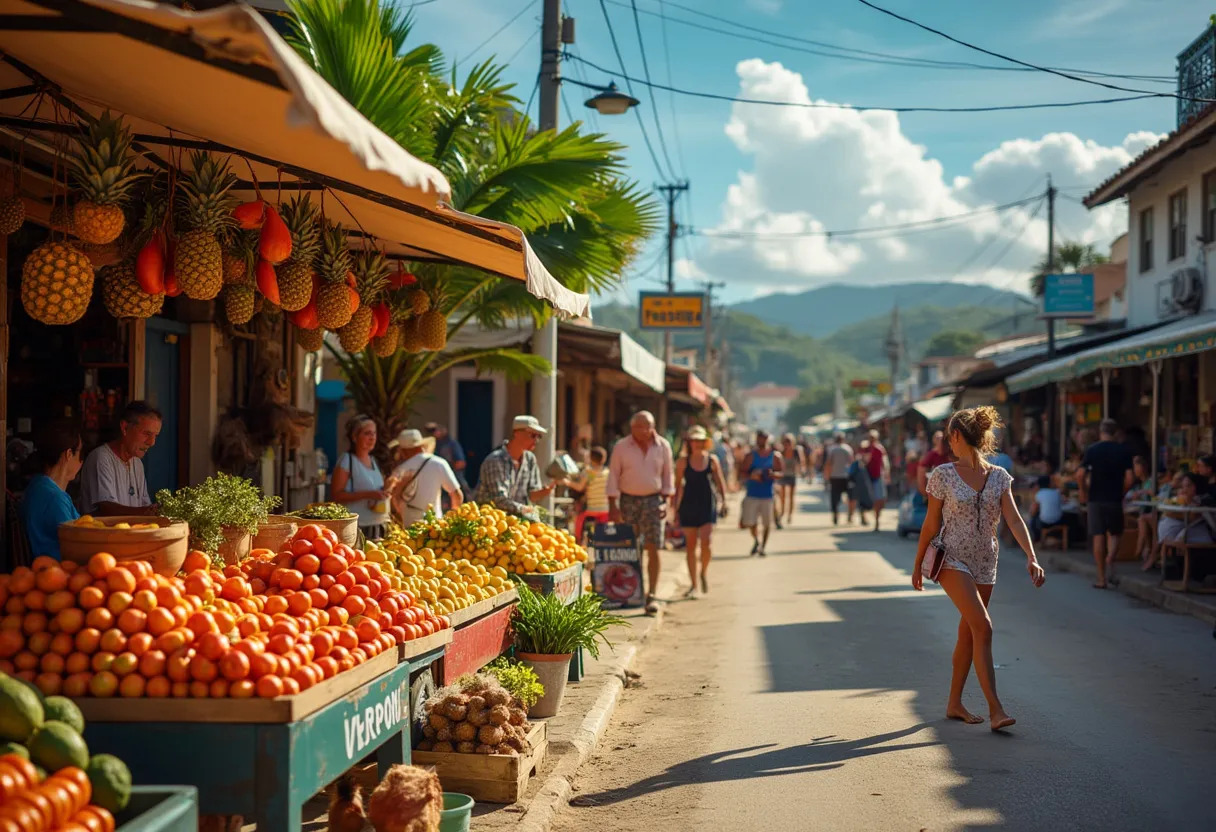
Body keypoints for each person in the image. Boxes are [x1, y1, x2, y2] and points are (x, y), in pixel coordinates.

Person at [913, 406, 1045, 732]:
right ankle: (996, 710)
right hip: (952, 560)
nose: (948, 443)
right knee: (983, 627)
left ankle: (954, 703)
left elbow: (1013, 519)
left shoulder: (999, 477)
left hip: (987, 561)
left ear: (957, 436)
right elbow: (931, 523)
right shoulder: (942, 474)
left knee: (969, 631)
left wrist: (1032, 556)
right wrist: (917, 565)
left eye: (949, 436)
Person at [607, 411, 675, 615]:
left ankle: (652, 594)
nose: (644, 430)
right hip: (628, 501)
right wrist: (613, 506)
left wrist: (666, 503)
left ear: (653, 426)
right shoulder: (621, 447)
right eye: (639, 426)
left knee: (654, 546)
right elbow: (613, 476)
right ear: (632, 427)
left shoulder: (663, 446)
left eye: (648, 426)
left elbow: (667, 477)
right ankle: (632, 592)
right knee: (630, 549)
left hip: (654, 501)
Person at [1077, 419, 1134, 589]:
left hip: (1096, 499)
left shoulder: (1092, 450)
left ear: (1101, 432)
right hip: (1115, 498)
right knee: (1115, 533)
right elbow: (1130, 478)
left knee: (1098, 535)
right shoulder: (1123, 450)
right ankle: (1111, 559)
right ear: (1116, 432)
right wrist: (1122, 491)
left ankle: (1101, 578)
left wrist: (1084, 491)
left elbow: (1080, 474)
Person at [79, 401, 161, 516]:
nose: (152, 442)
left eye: (155, 435)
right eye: (147, 433)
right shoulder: (101, 458)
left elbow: (144, 505)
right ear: (125, 428)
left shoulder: (137, 464)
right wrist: (148, 511)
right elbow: (106, 510)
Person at [673, 427, 728, 598]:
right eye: (693, 440)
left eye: (699, 440)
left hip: (706, 504)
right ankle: (694, 584)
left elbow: (720, 482)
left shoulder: (712, 460)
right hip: (688, 505)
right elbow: (677, 487)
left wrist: (724, 501)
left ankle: (703, 571)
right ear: (690, 442)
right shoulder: (683, 462)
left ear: (705, 442)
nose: (696, 443)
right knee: (690, 546)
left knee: (706, 543)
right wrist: (675, 509)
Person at [475, 415, 562, 521]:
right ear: (517, 433)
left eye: (539, 436)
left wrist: (545, 491)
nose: (536, 440)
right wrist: (526, 509)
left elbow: (531, 495)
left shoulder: (530, 459)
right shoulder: (495, 460)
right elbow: (500, 500)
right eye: (533, 435)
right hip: (489, 522)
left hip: (516, 522)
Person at [20, 420, 84, 560]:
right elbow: (77, 542)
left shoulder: (39, 486)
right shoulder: (53, 498)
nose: (81, 462)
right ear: (68, 454)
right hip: (57, 572)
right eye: (80, 454)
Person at [331, 415, 390, 539]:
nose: (372, 437)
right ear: (354, 437)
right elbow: (336, 495)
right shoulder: (347, 461)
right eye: (367, 433)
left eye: (374, 433)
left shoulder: (373, 460)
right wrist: (369, 494)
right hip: (357, 528)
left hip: (378, 527)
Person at [388, 429, 462, 527]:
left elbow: (393, 501)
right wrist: (453, 521)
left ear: (403, 450)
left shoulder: (400, 470)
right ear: (422, 445)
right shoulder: (439, 463)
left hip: (408, 527)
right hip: (434, 528)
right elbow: (456, 495)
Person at [740, 430, 783, 556]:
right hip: (752, 493)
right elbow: (742, 472)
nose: (762, 441)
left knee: (767, 523)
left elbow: (781, 473)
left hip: (767, 494)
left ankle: (762, 546)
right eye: (760, 439)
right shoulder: (750, 456)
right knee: (750, 522)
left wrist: (772, 474)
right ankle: (756, 540)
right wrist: (752, 475)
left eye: (764, 439)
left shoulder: (775, 456)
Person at [567, 446, 610, 543]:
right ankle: (601, 543)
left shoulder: (589, 472)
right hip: (605, 509)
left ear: (590, 458)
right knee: (603, 526)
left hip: (591, 509)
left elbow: (579, 487)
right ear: (604, 459)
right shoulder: (607, 472)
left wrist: (567, 482)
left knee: (578, 517)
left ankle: (578, 540)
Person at [1156, 473, 1214, 545]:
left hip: (1196, 536)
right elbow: (1166, 508)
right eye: (1183, 486)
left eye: (1188, 486)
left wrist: (1188, 501)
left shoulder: (1204, 500)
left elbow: (1192, 517)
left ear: (1197, 486)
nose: (1184, 489)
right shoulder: (1181, 498)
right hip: (1170, 533)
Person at [424, 423, 470, 500]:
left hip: (453, 477)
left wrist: (445, 467)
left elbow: (461, 463)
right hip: (435, 480)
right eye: (429, 431)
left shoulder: (452, 444)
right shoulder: (430, 446)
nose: (431, 434)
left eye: (434, 430)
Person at [823, 433, 854, 526]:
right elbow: (852, 463)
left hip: (835, 476)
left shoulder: (832, 449)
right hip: (846, 476)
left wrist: (827, 476)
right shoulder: (848, 449)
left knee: (835, 497)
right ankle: (850, 515)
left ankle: (836, 514)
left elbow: (828, 464)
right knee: (850, 496)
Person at [775, 433, 804, 528]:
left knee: (791, 496)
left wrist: (801, 470)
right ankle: (783, 512)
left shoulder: (796, 451)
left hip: (792, 475)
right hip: (783, 475)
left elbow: (801, 462)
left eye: (789, 442)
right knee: (783, 496)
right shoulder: (781, 452)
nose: (787, 444)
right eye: (785, 442)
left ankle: (790, 515)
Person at [865, 429, 890, 531]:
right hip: (867, 477)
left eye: (873, 438)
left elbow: (885, 462)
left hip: (877, 476)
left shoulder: (879, 449)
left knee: (879, 499)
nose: (871, 440)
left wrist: (886, 474)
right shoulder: (866, 448)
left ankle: (876, 520)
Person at [1029, 475, 1062, 542]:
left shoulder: (1039, 494)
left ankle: (1037, 538)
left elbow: (1033, 511)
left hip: (1044, 522)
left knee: (1033, 518)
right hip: (1058, 520)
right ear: (1049, 483)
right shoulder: (1056, 492)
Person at [917, 430, 949, 496]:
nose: (940, 440)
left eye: (942, 438)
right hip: (936, 492)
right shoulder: (930, 455)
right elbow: (921, 472)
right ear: (933, 440)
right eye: (937, 438)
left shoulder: (951, 454)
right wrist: (925, 494)